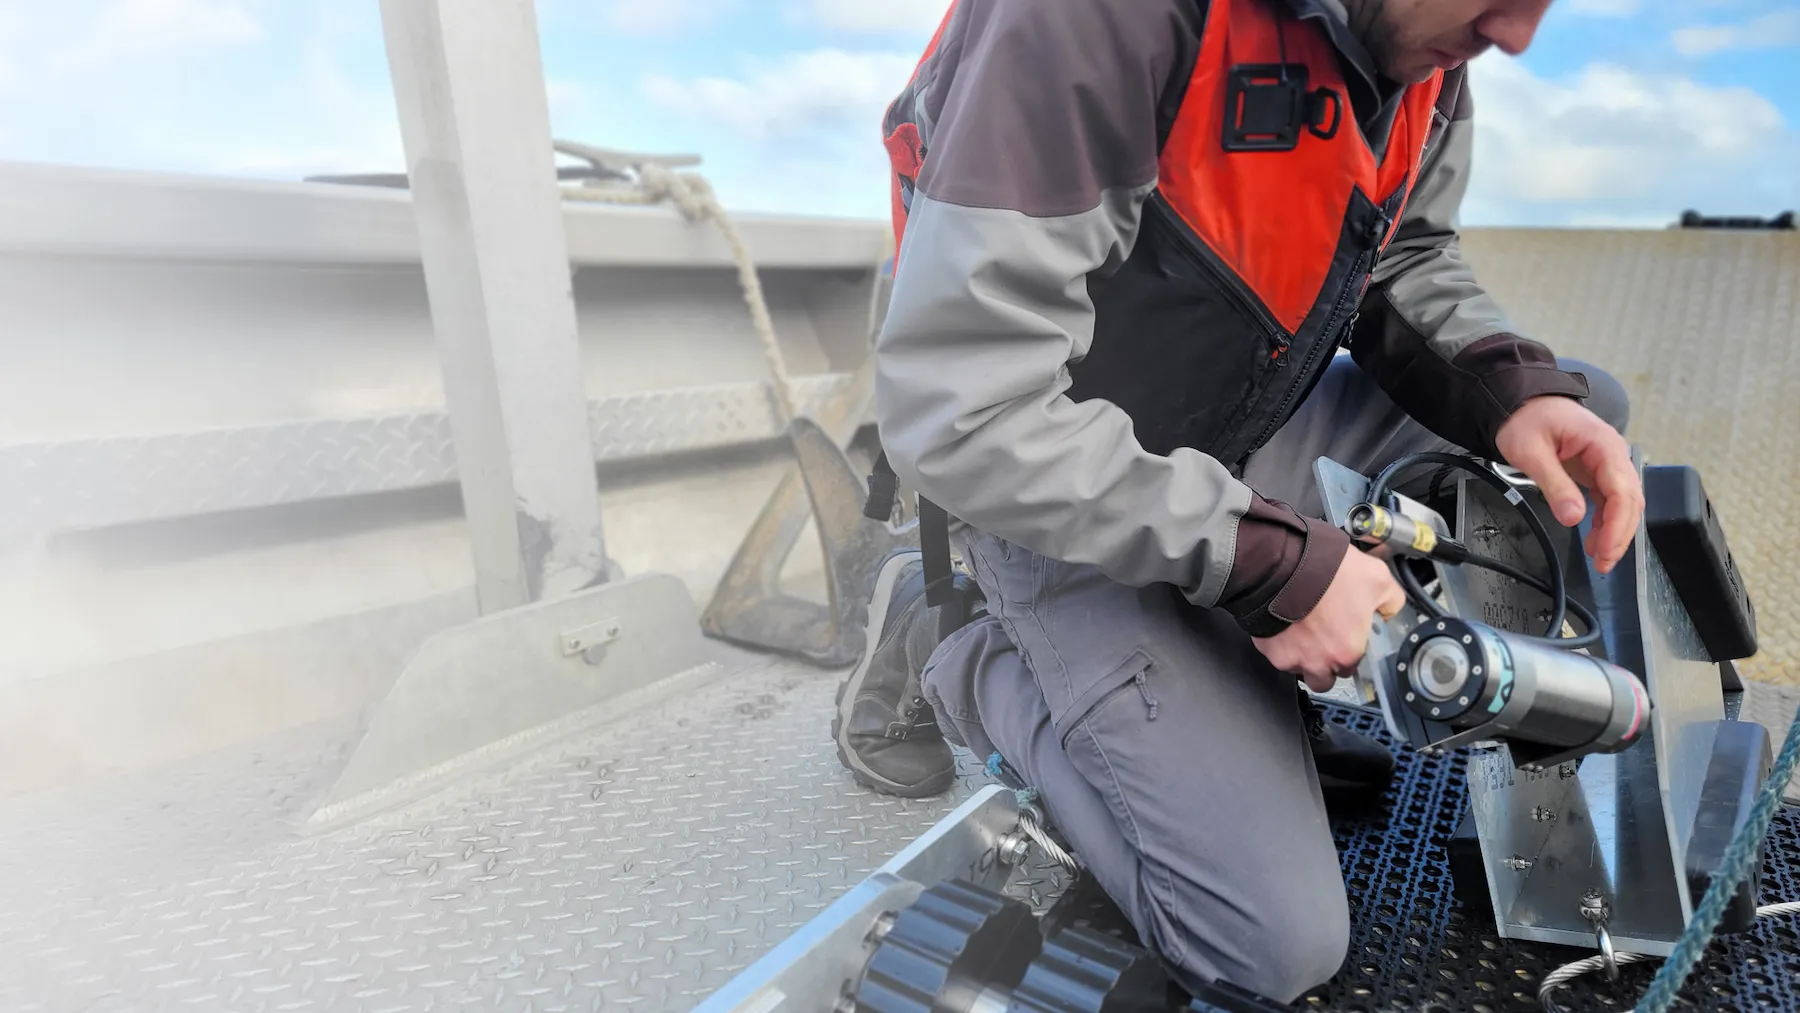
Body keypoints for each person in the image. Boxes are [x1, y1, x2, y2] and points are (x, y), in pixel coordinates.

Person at [832, 0, 1643, 1001]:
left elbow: (1402, 254)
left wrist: (1506, 390)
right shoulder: (1093, 18)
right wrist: (1271, 562)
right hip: (1041, 471)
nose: (1515, 35)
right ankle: (939, 632)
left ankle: (1255, 677)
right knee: (1266, 946)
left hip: (1235, 425)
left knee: (1570, 416)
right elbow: (966, 410)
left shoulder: (1427, 42)